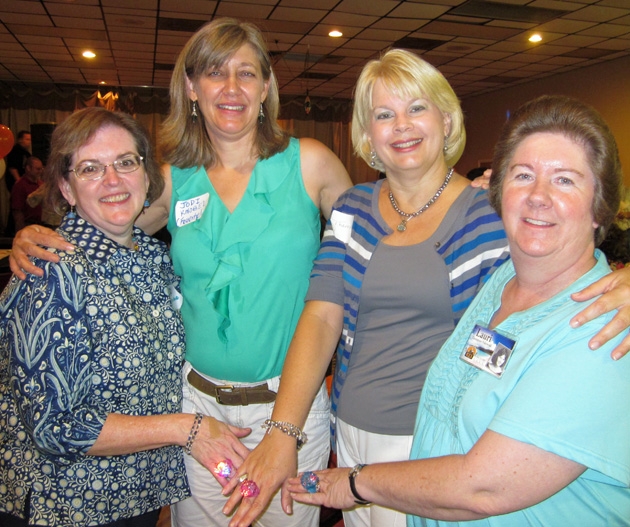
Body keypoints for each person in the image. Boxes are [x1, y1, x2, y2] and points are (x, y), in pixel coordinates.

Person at [224, 50, 630, 527]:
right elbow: (321, 315)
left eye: (417, 107)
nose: (401, 125)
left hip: (437, 447)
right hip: (350, 431)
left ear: (447, 119)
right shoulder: (353, 208)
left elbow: (557, 285)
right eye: (383, 114)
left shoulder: (493, 217)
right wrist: (283, 430)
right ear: (367, 134)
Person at [8, 18, 352, 527]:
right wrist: (34, 235)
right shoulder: (171, 181)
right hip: (198, 407)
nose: (231, 88)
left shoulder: (313, 164)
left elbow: (377, 243)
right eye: (215, 73)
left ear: (265, 88)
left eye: (247, 73)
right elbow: (103, 222)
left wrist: (453, 199)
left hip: (289, 409)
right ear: (192, 88)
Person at [0, 107, 251, 527]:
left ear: (146, 174)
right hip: (67, 505)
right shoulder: (52, 272)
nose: (113, 180)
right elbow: (54, 425)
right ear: (65, 187)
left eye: (125, 162)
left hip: (137, 497)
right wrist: (184, 429)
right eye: (90, 168)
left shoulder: (152, 258)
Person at [11, 156, 44, 231]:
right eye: (38, 169)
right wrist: (21, 231)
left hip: (41, 224)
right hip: (28, 225)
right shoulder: (20, 185)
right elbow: (17, 211)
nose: (40, 171)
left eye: (41, 169)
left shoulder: (41, 184)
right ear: (28, 168)